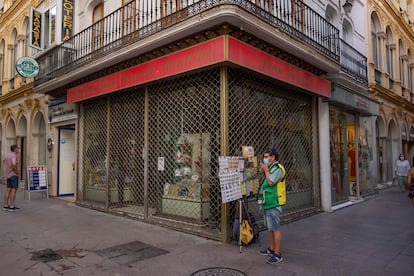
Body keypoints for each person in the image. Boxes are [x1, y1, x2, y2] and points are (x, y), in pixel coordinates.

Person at [257, 148, 284, 264]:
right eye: (265, 157)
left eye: (267, 156)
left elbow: (271, 182)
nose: (265, 159)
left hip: (274, 202)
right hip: (267, 202)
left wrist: (266, 171)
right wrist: (263, 171)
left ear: (273, 157)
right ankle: (271, 249)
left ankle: (277, 254)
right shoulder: (271, 168)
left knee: (275, 228)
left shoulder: (278, 169)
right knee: (270, 228)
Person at [3, 145, 20, 211]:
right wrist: (16, 172)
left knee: (8, 189)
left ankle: (5, 205)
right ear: (15, 149)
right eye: (18, 148)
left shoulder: (8, 155)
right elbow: (13, 165)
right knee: (13, 190)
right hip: (13, 175)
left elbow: (4, 161)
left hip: (8, 175)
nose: (19, 150)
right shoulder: (14, 155)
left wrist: (8, 169)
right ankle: (12, 206)